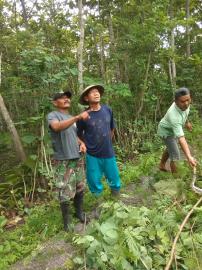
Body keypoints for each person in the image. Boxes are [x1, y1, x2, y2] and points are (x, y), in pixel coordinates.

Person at [47, 89, 90, 231]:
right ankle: (67, 223)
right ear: (55, 102)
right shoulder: (53, 115)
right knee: (64, 191)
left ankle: (79, 213)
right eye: (62, 97)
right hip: (63, 160)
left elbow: (72, 134)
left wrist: (81, 143)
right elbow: (57, 127)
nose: (66, 99)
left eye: (67, 97)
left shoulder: (70, 117)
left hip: (77, 158)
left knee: (80, 187)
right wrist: (78, 117)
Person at [77, 84, 121, 197]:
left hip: (108, 152)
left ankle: (115, 201)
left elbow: (111, 129)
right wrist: (83, 144)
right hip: (92, 154)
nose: (96, 93)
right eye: (92, 92)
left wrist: (106, 143)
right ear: (87, 98)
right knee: (94, 181)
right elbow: (76, 135)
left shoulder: (108, 110)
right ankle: (98, 206)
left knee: (114, 178)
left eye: (97, 91)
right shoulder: (84, 116)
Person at [157, 87, 197, 173]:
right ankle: (176, 179)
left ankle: (161, 164)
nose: (186, 104)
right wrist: (189, 156)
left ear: (190, 98)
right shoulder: (173, 115)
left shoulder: (186, 105)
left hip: (172, 130)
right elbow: (181, 138)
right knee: (175, 155)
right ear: (176, 102)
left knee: (170, 148)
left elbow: (185, 113)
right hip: (166, 131)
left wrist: (187, 122)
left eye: (188, 100)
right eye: (182, 101)